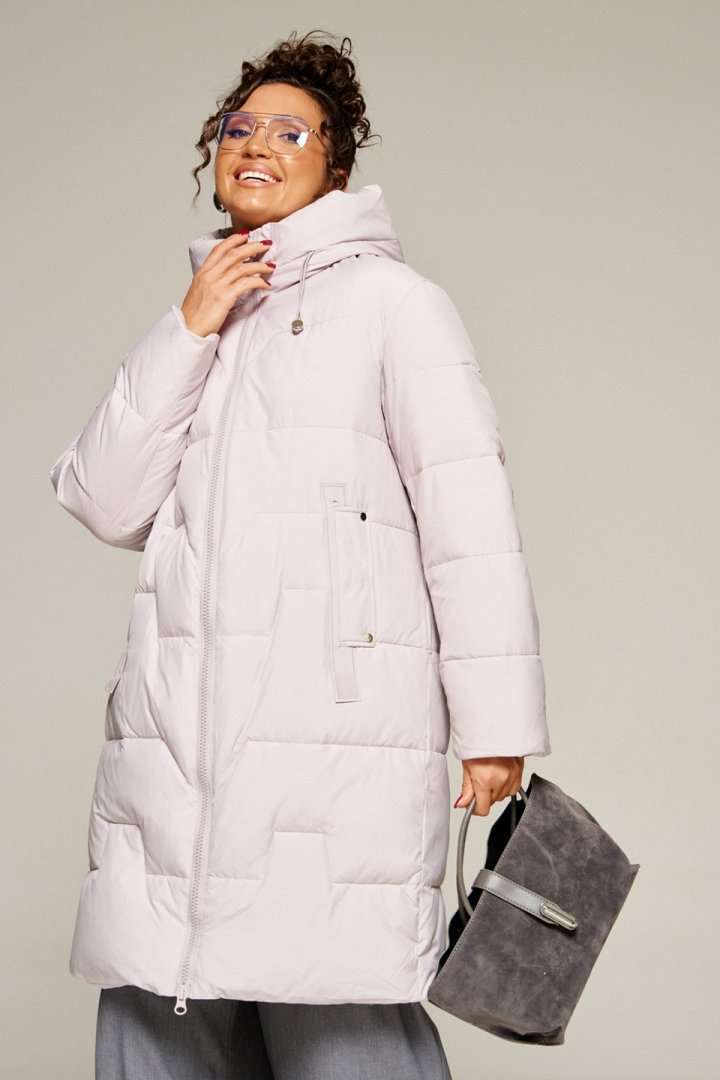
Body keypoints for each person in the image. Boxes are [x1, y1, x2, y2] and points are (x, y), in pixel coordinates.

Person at [50, 29, 551, 1080]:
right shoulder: (204, 319)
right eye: (241, 127)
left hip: (333, 759)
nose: (258, 145)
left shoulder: (394, 306)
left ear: (337, 167)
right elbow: (102, 499)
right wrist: (189, 327)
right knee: (153, 1020)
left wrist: (496, 726)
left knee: (346, 1029)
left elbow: (469, 519)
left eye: (292, 132)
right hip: (173, 772)